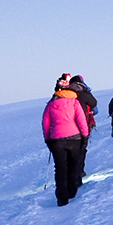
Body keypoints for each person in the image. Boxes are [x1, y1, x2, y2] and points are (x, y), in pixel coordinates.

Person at [42, 74, 90, 207]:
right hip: (75, 138)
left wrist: (47, 139)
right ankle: (72, 191)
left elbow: (45, 124)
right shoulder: (74, 102)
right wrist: (85, 136)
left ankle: (62, 198)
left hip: (57, 140)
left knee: (60, 169)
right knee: (73, 166)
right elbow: (81, 121)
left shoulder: (51, 104)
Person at [68, 75, 97, 179]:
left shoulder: (65, 94)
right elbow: (94, 104)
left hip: (67, 128)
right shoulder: (84, 94)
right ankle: (79, 172)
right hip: (82, 127)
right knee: (81, 150)